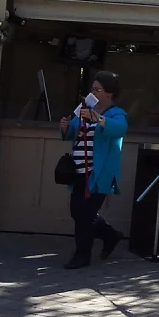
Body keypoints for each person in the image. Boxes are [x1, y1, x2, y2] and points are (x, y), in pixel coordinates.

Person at [58, 71, 127, 270]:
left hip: (98, 173)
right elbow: (70, 132)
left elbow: (119, 129)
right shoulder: (84, 109)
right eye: (92, 89)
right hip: (78, 172)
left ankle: (82, 255)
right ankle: (111, 235)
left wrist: (97, 118)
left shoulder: (116, 113)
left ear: (109, 93)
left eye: (98, 89)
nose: (94, 93)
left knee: (84, 215)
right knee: (78, 212)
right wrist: (64, 127)